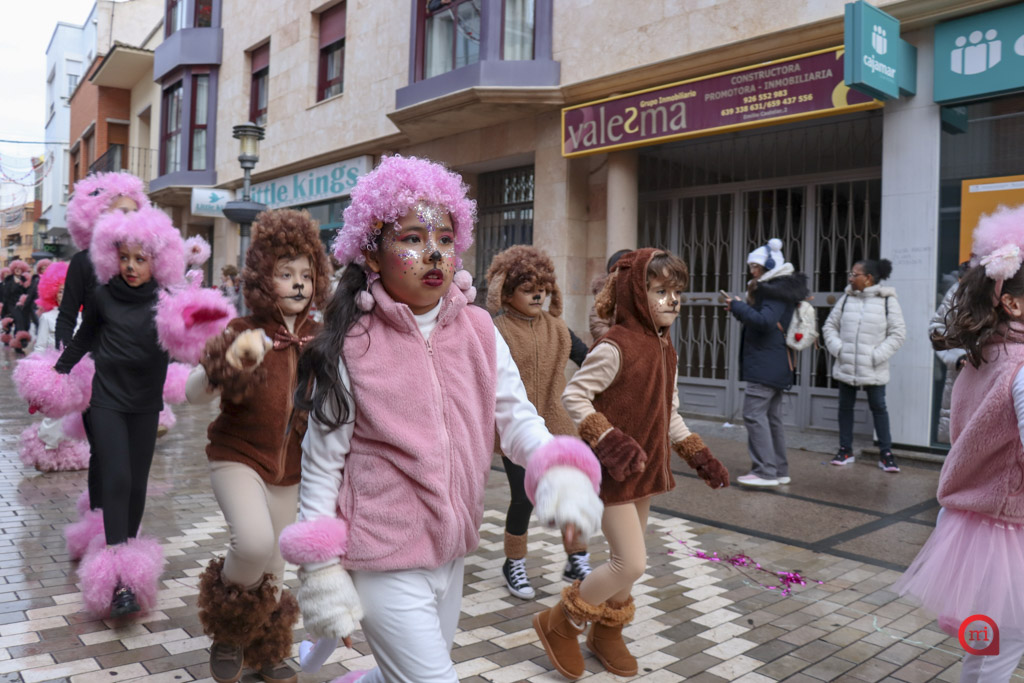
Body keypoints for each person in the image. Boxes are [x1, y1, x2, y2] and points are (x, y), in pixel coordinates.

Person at [276, 155, 603, 683]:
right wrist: (321, 571)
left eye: (445, 239)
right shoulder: (350, 345)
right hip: (381, 554)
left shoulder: (480, 330)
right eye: (411, 238)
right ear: (372, 253)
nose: (433, 253)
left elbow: (517, 418)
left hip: (452, 552)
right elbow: (321, 465)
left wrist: (557, 468)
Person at [547, 247, 730, 679]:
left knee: (627, 563)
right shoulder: (616, 345)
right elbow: (574, 395)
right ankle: (560, 623)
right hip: (611, 472)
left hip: (644, 472)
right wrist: (607, 438)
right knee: (630, 562)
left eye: (677, 291)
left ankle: (607, 633)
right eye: (660, 291)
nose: (673, 301)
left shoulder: (666, 349)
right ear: (634, 293)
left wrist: (698, 455)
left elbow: (669, 412)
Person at [186, 210, 332, 683]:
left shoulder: (321, 339)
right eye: (286, 273)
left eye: (306, 274)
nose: (298, 283)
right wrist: (232, 361)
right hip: (237, 457)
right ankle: (229, 632)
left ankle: (265, 649)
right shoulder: (243, 329)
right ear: (263, 278)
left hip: (290, 470)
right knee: (252, 543)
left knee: (273, 568)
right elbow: (191, 393)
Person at [894, 204, 1024, 682]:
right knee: (1003, 647)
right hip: (1006, 530)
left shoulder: (982, 356)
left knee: (985, 645)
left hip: (974, 526)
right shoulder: (1019, 367)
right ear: (1012, 304)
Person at [55, 206, 186, 618]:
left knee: (137, 485)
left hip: (145, 405)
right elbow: (82, 339)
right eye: (124, 257)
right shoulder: (102, 295)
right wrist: (53, 377)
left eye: (140, 259)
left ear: (156, 261)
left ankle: (127, 558)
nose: (130, 266)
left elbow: (189, 347)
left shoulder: (167, 303)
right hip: (107, 400)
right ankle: (118, 579)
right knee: (117, 477)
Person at [485, 245, 591, 600]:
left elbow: (589, 360)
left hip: (559, 423)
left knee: (572, 490)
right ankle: (513, 562)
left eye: (543, 288)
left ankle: (577, 557)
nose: (537, 295)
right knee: (524, 498)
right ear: (506, 292)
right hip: (515, 428)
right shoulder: (495, 330)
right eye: (527, 288)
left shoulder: (558, 328)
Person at [56, 172, 149, 553]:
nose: (126, 218)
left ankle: (121, 533)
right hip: (98, 375)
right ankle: (103, 528)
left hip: (138, 380)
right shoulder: (83, 262)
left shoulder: (145, 261)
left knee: (131, 467)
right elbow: (67, 317)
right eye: (118, 211)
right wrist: (67, 365)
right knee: (107, 457)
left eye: (133, 211)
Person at [724, 238, 809, 487]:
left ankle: (765, 471)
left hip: (765, 363)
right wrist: (740, 309)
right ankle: (779, 470)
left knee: (753, 415)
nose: (752, 271)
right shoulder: (781, 288)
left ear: (769, 266)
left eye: (755, 267)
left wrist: (739, 307)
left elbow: (765, 321)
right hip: (774, 361)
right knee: (772, 418)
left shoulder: (773, 289)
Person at [823, 258, 906, 472]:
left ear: (868, 278)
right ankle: (845, 450)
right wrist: (839, 349)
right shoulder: (846, 299)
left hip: (873, 367)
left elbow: (898, 334)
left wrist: (876, 356)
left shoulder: (887, 301)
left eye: (855, 274)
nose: (850, 278)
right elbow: (829, 326)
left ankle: (886, 454)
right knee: (845, 407)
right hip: (847, 364)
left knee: (879, 407)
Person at [18, 261, 89, 472]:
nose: (63, 295)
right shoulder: (47, 318)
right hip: (55, 371)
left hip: (79, 372)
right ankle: (47, 448)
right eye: (59, 291)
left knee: (76, 415)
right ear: (52, 294)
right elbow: (40, 347)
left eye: (67, 291)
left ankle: (72, 454)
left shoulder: (84, 318)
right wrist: (39, 373)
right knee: (55, 416)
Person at [589, 249, 630, 341]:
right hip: (614, 346)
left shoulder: (639, 293)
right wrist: (625, 339)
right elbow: (598, 328)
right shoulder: (604, 296)